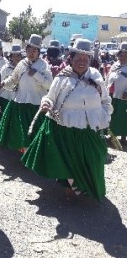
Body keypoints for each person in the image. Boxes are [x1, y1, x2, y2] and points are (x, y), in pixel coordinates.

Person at [22, 39, 113, 201]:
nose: (81, 62)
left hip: (90, 128)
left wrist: (105, 115)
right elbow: (50, 97)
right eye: (78, 58)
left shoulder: (96, 76)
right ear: (71, 58)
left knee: (95, 158)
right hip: (66, 128)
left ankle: (88, 185)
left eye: (85, 59)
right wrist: (46, 104)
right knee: (69, 160)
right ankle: (70, 188)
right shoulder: (62, 78)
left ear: (90, 60)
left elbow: (105, 99)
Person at [0, 34, 53, 152]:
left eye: (34, 50)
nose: (31, 53)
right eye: (29, 50)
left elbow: (49, 85)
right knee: (20, 131)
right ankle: (24, 153)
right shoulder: (22, 64)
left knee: (34, 132)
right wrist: (3, 83)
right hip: (20, 103)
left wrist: (36, 74)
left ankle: (32, 155)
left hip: (35, 104)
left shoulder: (43, 66)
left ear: (38, 51)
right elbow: (13, 79)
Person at [105, 42, 127, 144]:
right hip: (112, 95)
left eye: (125, 55)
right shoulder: (115, 65)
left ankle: (123, 137)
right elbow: (108, 78)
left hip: (124, 97)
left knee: (123, 116)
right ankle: (113, 135)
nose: (123, 57)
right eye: (121, 55)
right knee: (112, 116)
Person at [0, 44, 23, 117]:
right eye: (14, 56)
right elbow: (0, 83)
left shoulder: (24, 68)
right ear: (11, 57)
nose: (16, 58)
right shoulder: (6, 68)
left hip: (18, 99)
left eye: (18, 55)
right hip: (5, 98)